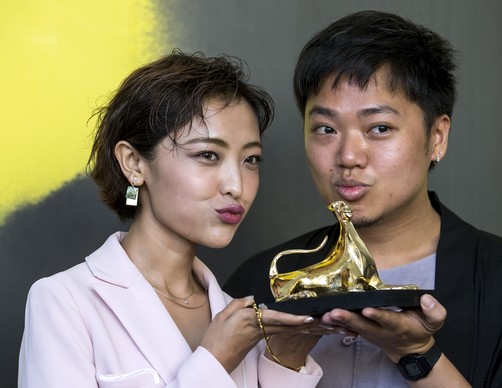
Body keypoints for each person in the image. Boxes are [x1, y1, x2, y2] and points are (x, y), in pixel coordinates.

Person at [224, 10, 502, 387]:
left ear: (437, 137)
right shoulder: (262, 283)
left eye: (379, 128)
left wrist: (418, 353)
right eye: (325, 129)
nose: (348, 156)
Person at [18, 50, 326, 387]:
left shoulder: (235, 313)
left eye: (250, 160)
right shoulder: (65, 301)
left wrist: (285, 361)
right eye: (207, 155)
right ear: (134, 163)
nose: (237, 186)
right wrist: (214, 362)